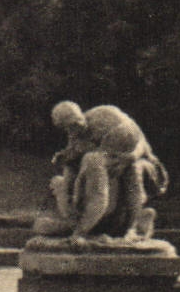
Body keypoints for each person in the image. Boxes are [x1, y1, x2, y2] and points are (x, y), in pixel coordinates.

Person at [48, 101, 167, 242]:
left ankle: (132, 227)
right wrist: (66, 158)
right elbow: (77, 157)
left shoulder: (107, 115)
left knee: (132, 169)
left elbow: (139, 139)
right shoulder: (76, 136)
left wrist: (132, 156)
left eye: (76, 122)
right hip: (113, 165)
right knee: (89, 166)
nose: (75, 128)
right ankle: (93, 220)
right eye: (68, 127)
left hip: (145, 163)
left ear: (80, 114)